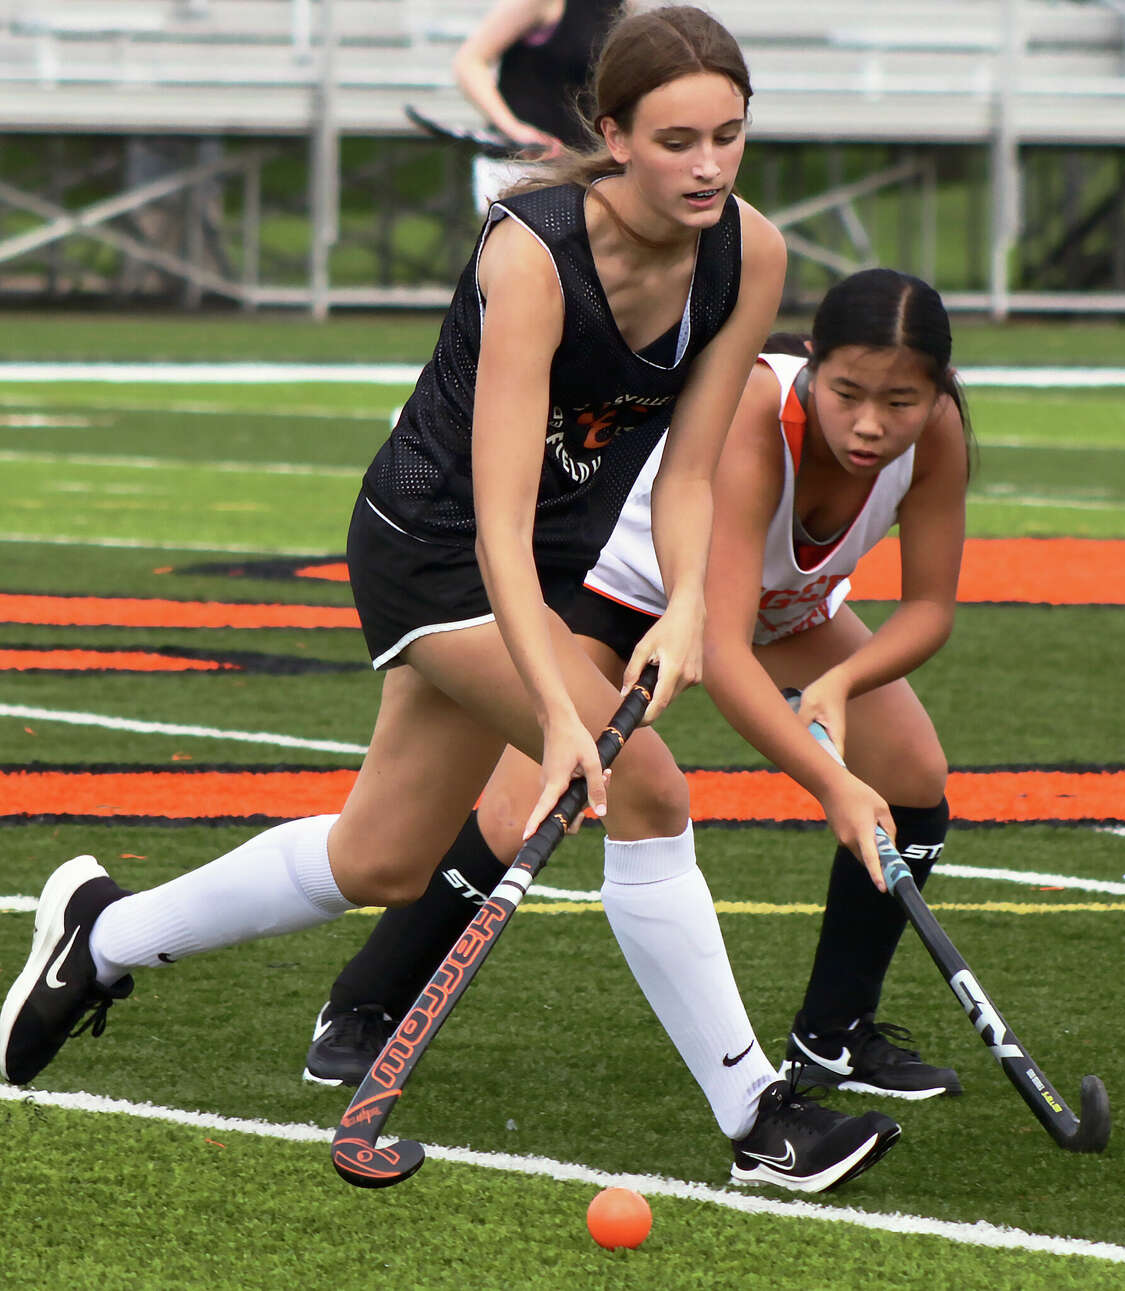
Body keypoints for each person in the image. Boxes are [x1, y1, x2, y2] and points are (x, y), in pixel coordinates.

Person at [0, 7, 902, 1195]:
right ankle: (760, 1119)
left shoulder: (751, 252)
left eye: (729, 136)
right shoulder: (528, 252)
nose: (709, 166)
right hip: (433, 549)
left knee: (379, 858)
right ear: (612, 133)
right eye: (678, 140)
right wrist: (563, 710)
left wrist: (689, 603)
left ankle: (98, 937)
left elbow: (687, 467)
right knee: (641, 781)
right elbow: (493, 524)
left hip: (559, 546)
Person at [305, 267, 973, 1105]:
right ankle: (363, 1005)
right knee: (527, 809)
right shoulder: (756, 419)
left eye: (901, 401)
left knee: (913, 774)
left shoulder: (941, 430)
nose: (872, 423)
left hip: (783, 608)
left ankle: (833, 1034)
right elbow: (721, 650)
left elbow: (930, 608)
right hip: (621, 592)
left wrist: (842, 681)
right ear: (811, 362)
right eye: (847, 392)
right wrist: (830, 781)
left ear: (936, 390)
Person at [453, 0, 627, 214]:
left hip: (585, 170)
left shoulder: (621, 5)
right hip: (525, 169)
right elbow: (470, 62)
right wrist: (514, 129)